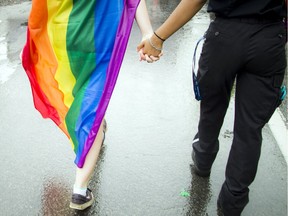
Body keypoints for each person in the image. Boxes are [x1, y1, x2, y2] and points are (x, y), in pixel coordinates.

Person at [137, 0, 287, 215]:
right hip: (268, 37)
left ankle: (203, 158)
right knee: (250, 130)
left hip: (224, 36)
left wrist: (158, 38)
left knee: (211, 108)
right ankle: (232, 202)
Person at [22, 0, 157, 211]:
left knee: (82, 93)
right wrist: (148, 32)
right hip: (100, 33)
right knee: (93, 99)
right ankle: (80, 190)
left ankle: (97, 127)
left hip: (63, 30)